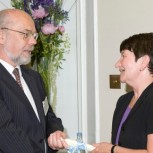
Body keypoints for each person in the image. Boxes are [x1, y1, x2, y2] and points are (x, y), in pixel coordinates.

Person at [0, 8, 68, 153]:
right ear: (1, 36)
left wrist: (55, 132)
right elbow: (7, 134)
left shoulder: (34, 78)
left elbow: (48, 115)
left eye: (34, 35)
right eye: (26, 34)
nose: (33, 42)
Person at [92, 33, 153, 153]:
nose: (117, 64)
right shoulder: (123, 101)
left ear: (143, 61)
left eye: (123, 56)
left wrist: (112, 149)